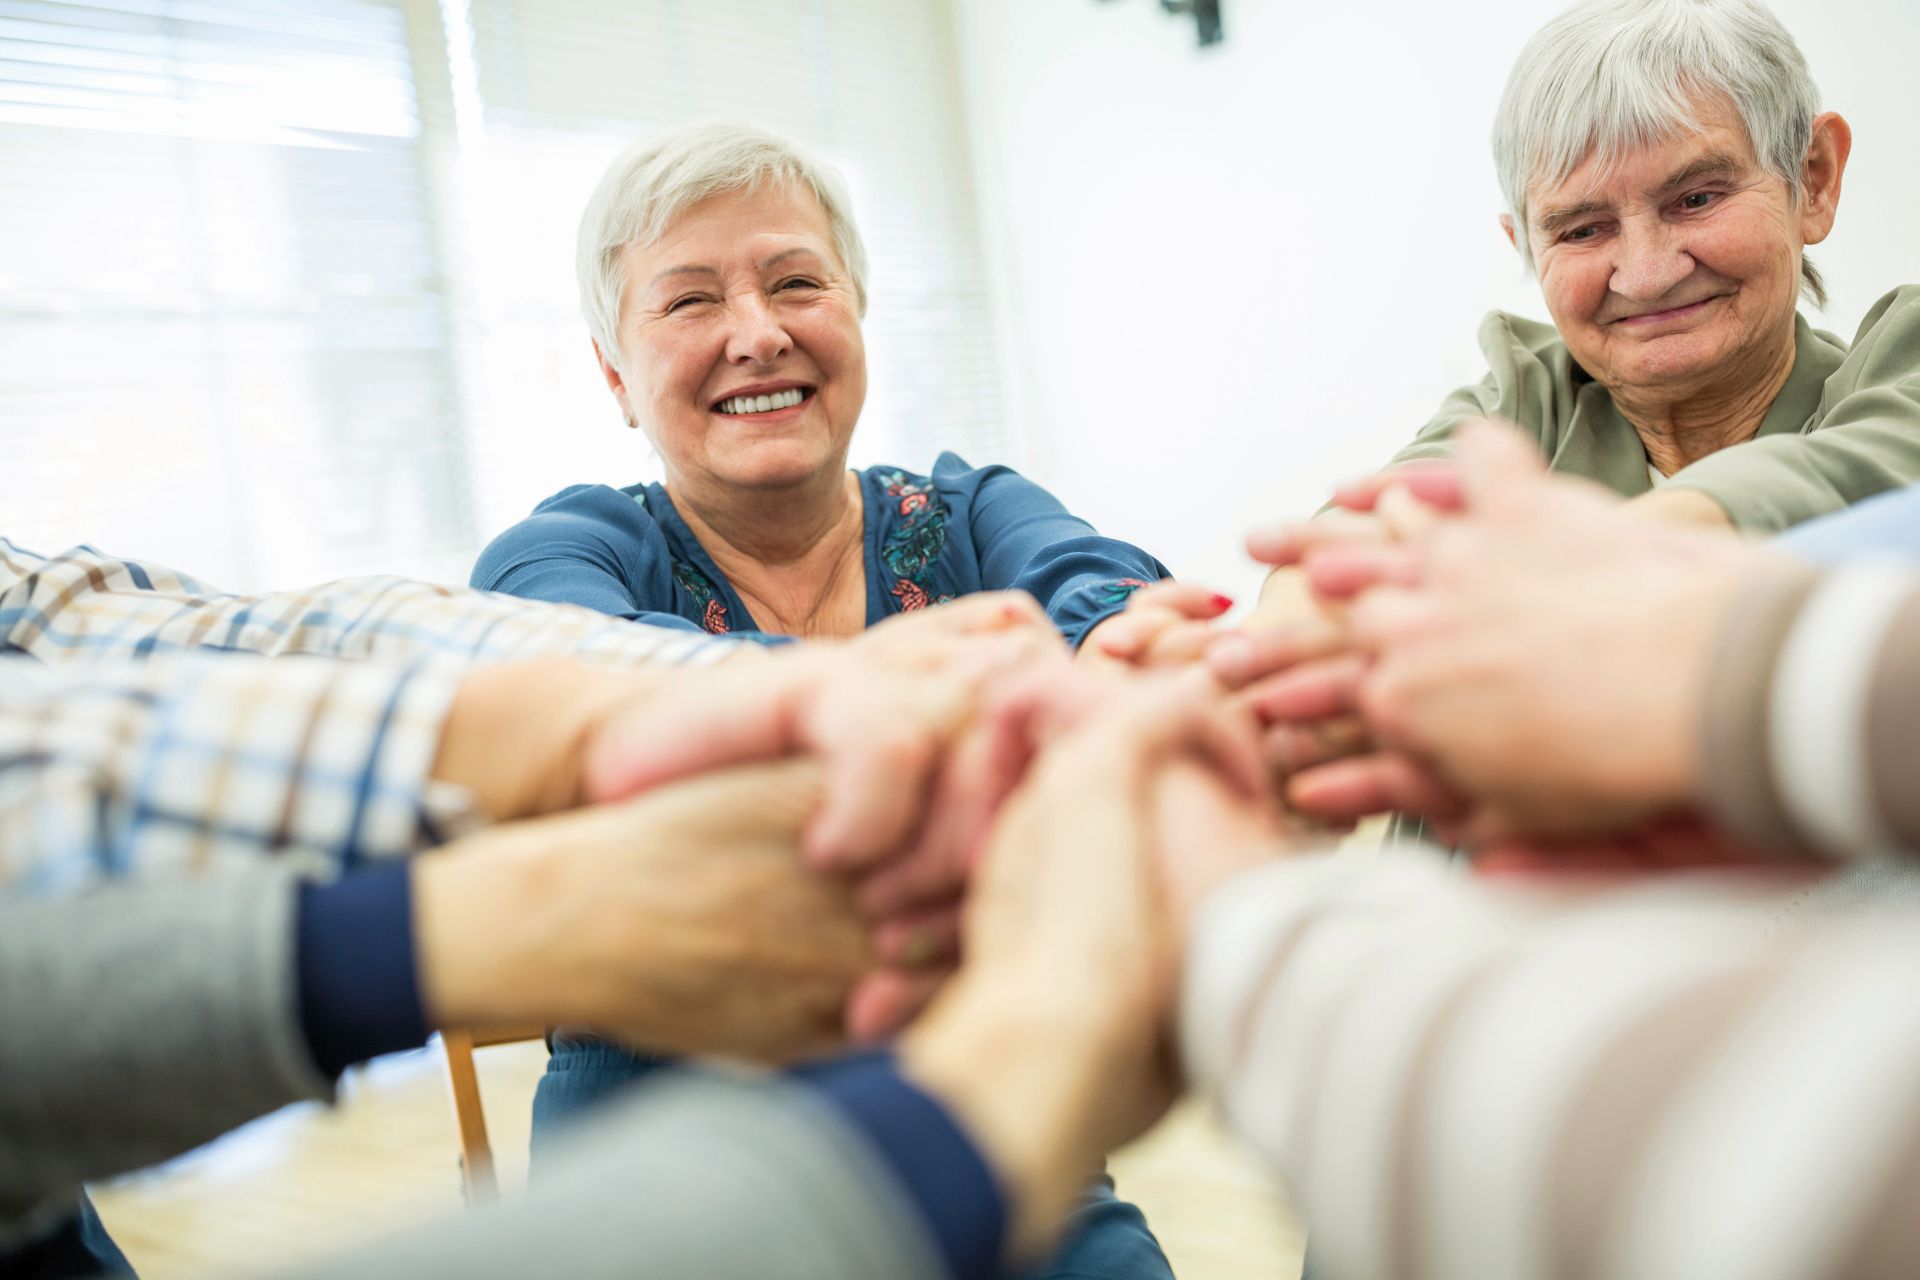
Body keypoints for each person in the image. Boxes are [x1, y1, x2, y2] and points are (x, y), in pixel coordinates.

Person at [468, 120, 1205, 1275]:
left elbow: (1090, 580)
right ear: (615, 373)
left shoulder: (965, 512)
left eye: (796, 282)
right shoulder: (569, 549)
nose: (758, 335)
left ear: (855, 316)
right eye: (691, 301)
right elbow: (577, 660)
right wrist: (959, 698)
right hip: (661, 1165)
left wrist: (1131, 640)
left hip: (985, 1128)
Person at [1227, 0, 1920, 804]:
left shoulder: (1898, 369)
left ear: (1812, 181)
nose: (1649, 271)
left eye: (1696, 198)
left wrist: (1563, 585)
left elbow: (1869, 476)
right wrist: (1269, 649)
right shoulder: (1528, 396)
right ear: (1526, 247)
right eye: (1583, 230)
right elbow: (1344, 569)